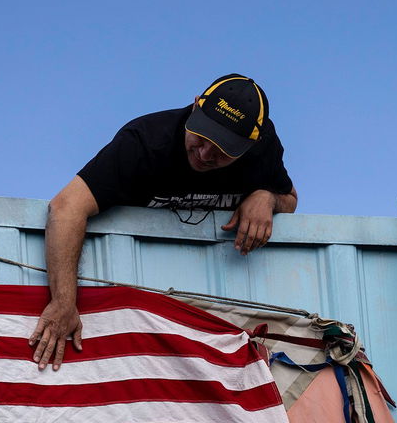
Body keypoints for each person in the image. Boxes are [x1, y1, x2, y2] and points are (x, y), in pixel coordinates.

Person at [29, 74, 298, 369]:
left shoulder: (263, 148)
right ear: (196, 106)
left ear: (250, 144)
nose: (205, 154)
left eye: (223, 150)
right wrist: (64, 303)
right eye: (202, 136)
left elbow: (290, 199)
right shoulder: (145, 141)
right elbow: (66, 207)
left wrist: (267, 198)